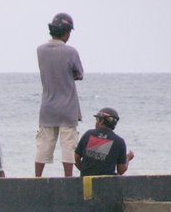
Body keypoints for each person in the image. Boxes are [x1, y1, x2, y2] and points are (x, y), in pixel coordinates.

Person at [35, 12, 83, 178]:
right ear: (66, 32)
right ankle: (68, 177)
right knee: (68, 144)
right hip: (68, 106)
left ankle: (37, 177)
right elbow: (79, 74)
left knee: (43, 144)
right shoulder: (71, 52)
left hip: (47, 106)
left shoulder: (40, 50)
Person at [74, 107, 135, 177]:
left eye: (97, 120)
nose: (96, 123)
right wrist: (128, 158)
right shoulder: (119, 141)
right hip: (106, 183)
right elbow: (121, 170)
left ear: (102, 121)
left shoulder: (88, 134)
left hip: (86, 181)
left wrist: (85, 171)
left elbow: (75, 158)